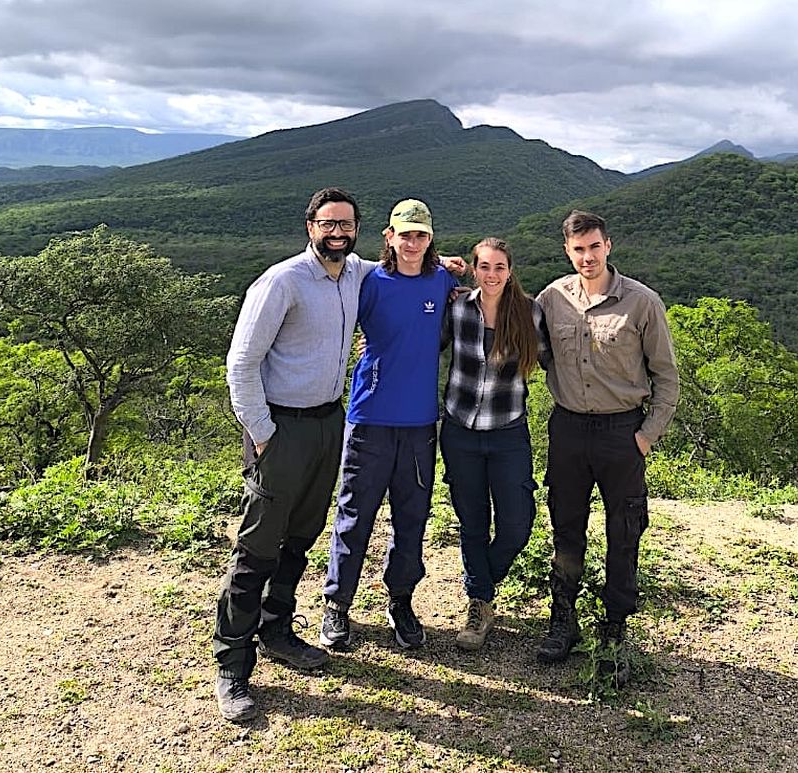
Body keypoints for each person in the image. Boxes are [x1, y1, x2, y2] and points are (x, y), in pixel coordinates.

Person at [215, 189, 462, 723]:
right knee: (257, 545)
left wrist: (444, 263)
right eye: (328, 223)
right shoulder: (282, 281)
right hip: (281, 427)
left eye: (346, 224)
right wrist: (261, 433)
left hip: (330, 421)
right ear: (310, 226)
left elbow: (405, 264)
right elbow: (241, 363)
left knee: (301, 537)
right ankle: (232, 665)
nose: (337, 232)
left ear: (358, 231)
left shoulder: (355, 273)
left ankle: (277, 631)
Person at [535, 210, 679, 686]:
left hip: (622, 433)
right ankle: (563, 620)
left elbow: (666, 378)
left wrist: (645, 436)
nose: (587, 257)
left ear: (608, 246)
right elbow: (523, 345)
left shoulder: (642, 303)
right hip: (569, 429)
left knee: (624, 530)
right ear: (567, 251)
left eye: (594, 247)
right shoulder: (551, 299)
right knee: (566, 527)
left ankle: (614, 627)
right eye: (578, 249)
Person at [321, 199, 457, 652]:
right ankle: (337, 605)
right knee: (354, 516)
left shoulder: (442, 281)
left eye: (421, 235)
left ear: (430, 238)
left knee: (411, 519)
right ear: (390, 237)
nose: (413, 243)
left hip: (420, 424)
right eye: (405, 234)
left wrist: (459, 267)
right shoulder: (368, 280)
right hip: (370, 419)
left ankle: (400, 600)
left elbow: (486, 277)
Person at [439, 237, 550, 651]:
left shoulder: (529, 313)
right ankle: (480, 604)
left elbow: (549, 358)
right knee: (471, 521)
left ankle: (479, 585)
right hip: (460, 430)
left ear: (510, 270)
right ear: (473, 268)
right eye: (483, 266)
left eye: (499, 267)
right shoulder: (458, 308)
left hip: (507, 431)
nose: (491, 275)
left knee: (517, 524)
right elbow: (425, 342)